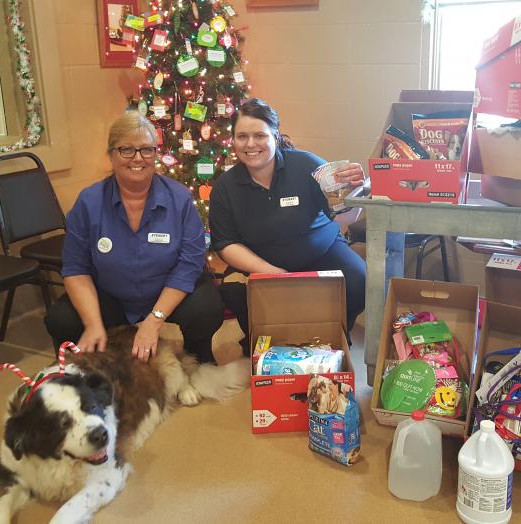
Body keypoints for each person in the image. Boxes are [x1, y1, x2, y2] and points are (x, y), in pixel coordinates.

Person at [44, 112, 225, 363]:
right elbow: (76, 268)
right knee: (61, 319)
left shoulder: (180, 199)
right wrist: (93, 323)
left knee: (206, 308)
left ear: (155, 154)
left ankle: (198, 354)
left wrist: (154, 320)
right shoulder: (89, 202)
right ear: (111, 154)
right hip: (112, 295)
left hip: (168, 292)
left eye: (146, 150)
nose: (137, 158)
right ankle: (93, 361)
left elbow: (189, 265)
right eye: (126, 149)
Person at [209, 98, 366, 336]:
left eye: (259, 135)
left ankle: (333, 335)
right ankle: (262, 340)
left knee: (359, 280)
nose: (250, 144)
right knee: (233, 290)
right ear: (233, 140)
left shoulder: (308, 166)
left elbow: (346, 218)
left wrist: (352, 193)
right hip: (259, 260)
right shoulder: (225, 186)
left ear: (275, 135)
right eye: (242, 136)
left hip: (321, 251)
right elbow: (225, 243)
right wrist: (270, 272)